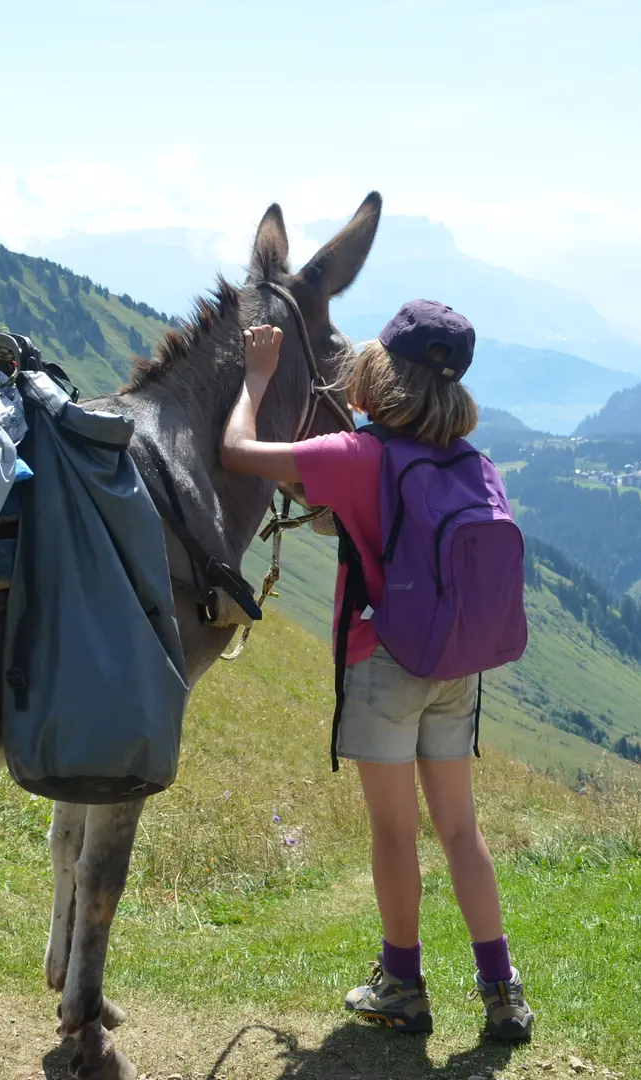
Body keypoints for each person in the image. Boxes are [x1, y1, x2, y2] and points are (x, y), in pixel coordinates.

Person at [217, 299, 534, 1042]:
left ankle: (403, 984)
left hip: (385, 660)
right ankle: (502, 992)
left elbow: (236, 450)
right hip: (457, 664)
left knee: (394, 833)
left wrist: (258, 376)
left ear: (379, 372)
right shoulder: (474, 463)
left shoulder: (355, 457)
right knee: (461, 830)